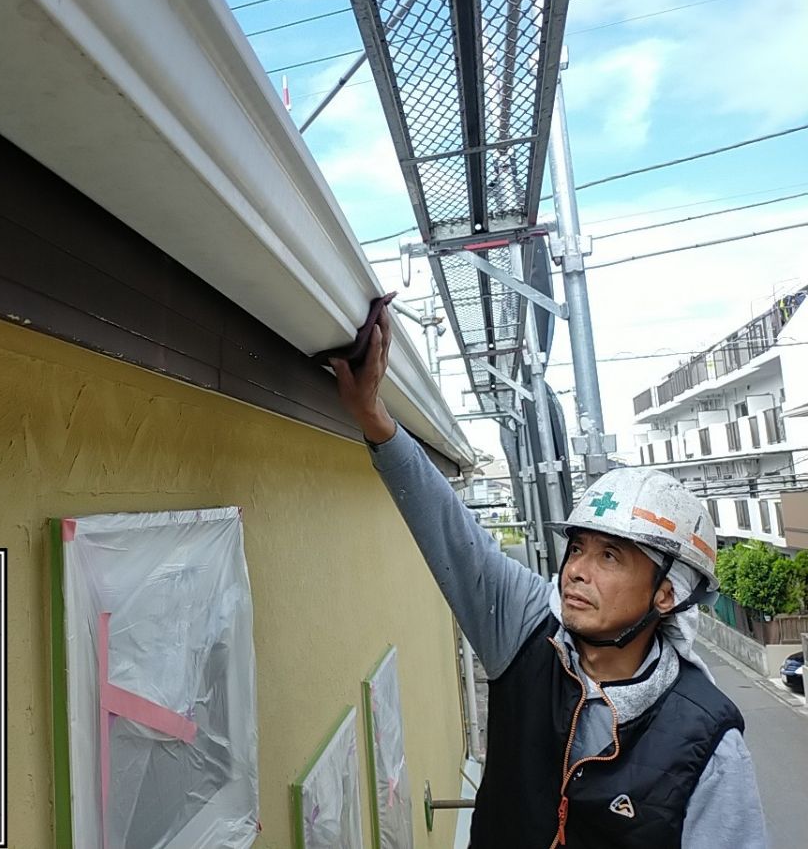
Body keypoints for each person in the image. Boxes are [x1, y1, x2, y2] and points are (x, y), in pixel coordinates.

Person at [329, 307, 768, 849]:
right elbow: (452, 534)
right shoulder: (528, 629)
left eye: (611, 557)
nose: (577, 570)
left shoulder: (706, 739)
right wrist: (374, 419)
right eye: (577, 548)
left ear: (666, 593)